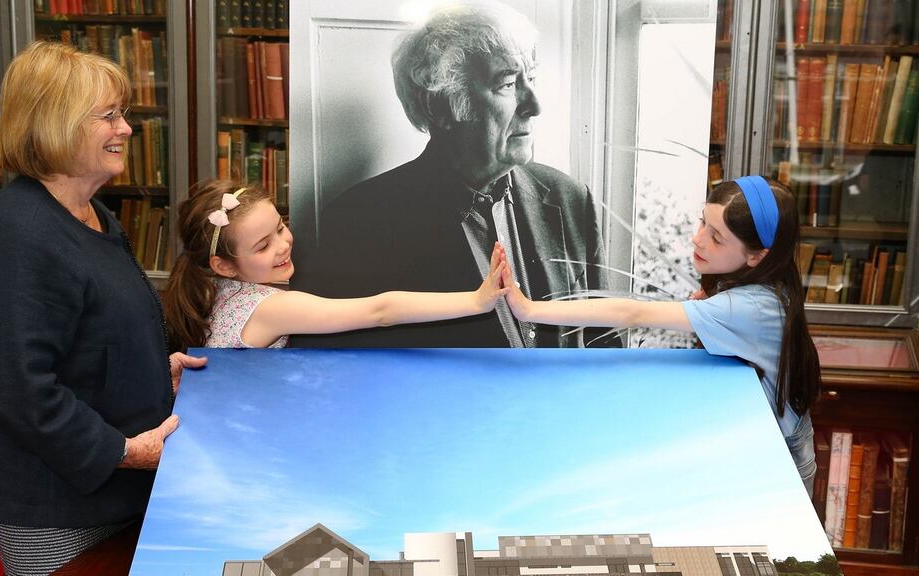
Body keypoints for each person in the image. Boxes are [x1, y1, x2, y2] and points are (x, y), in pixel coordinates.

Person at [0, 41, 206, 576]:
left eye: (122, 113)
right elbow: (17, 389)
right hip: (51, 501)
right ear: (56, 124)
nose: (126, 129)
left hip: (109, 489)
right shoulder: (19, 232)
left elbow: (96, 333)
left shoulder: (95, 212)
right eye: (109, 116)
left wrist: (154, 370)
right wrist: (126, 453)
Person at [291, 0, 608, 348]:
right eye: (507, 84)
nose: (535, 105)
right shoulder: (359, 223)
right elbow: (337, 366)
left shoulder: (571, 199)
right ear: (438, 106)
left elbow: (605, 344)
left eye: (530, 79)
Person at [500, 176, 821, 490]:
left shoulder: (746, 307)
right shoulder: (769, 278)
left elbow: (632, 312)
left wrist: (528, 309)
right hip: (769, 435)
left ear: (756, 256)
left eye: (717, 238)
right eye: (702, 223)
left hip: (778, 456)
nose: (698, 239)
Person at [163, 180, 509, 350]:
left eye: (281, 227)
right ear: (223, 265)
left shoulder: (214, 286)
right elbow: (381, 311)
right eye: (263, 245)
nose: (283, 244)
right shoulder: (271, 309)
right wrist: (477, 301)